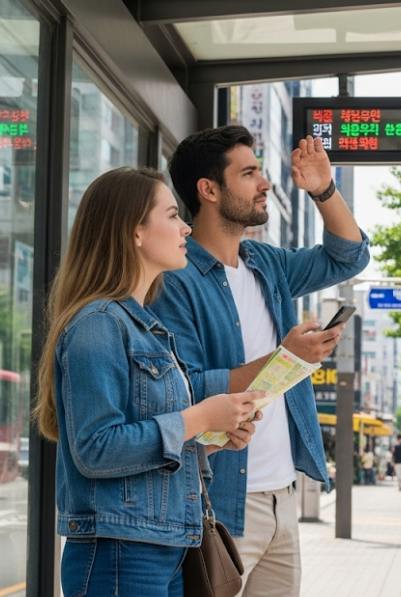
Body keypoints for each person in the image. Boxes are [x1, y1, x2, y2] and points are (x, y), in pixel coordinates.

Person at [152, 126, 370, 596]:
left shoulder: (266, 263)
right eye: (249, 173)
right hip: (221, 498)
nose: (265, 183)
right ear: (209, 190)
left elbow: (349, 257)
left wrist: (324, 190)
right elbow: (184, 389)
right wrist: (286, 358)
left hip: (282, 496)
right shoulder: (176, 278)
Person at [33, 167, 262, 597]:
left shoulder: (146, 328)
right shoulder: (99, 324)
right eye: (172, 215)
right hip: (120, 553)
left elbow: (141, 450)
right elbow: (96, 449)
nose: (186, 227)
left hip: (162, 547)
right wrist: (198, 418)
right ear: (134, 231)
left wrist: (211, 438)